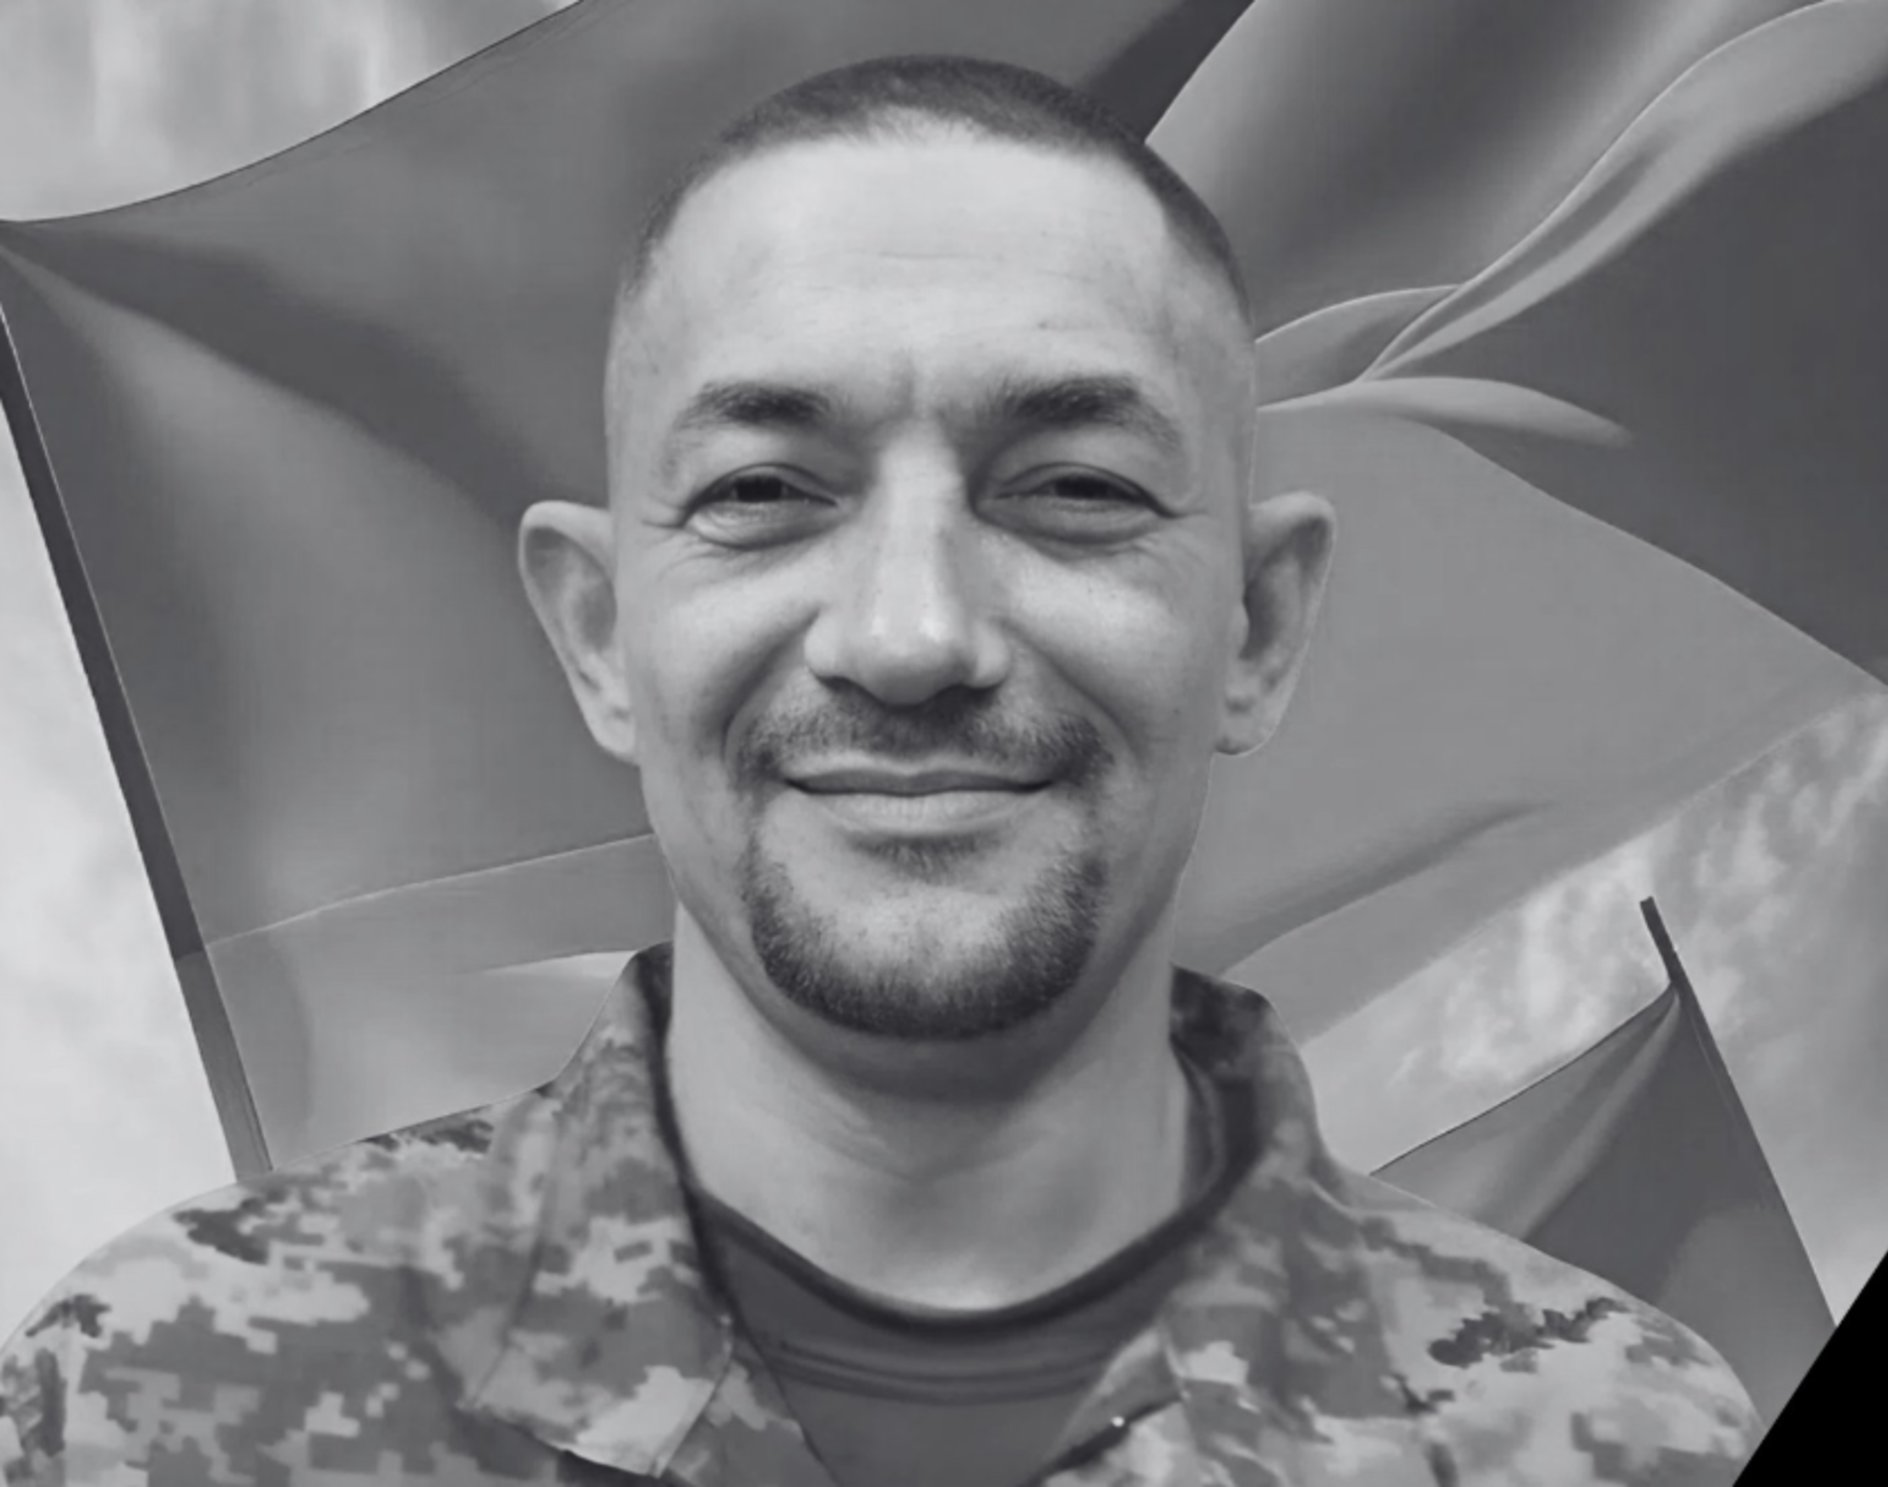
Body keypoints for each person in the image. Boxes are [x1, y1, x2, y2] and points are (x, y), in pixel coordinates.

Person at [0, 55, 1762, 1487]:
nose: (913, 635)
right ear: (599, 636)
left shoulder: (1616, 1443)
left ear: (1258, 626)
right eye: (766, 492)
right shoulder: (164, 1406)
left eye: (1074, 490)